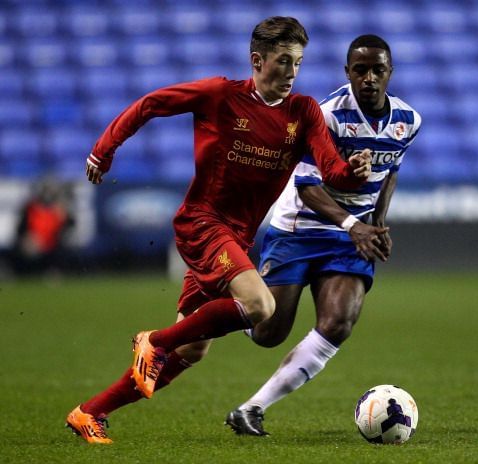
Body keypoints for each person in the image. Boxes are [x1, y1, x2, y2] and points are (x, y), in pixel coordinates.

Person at [65, 16, 376, 444]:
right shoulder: (219, 95)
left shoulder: (302, 112)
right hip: (203, 224)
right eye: (283, 61)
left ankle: (90, 412)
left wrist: (355, 175)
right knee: (260, 306)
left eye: (298, 63)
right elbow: (151, 103)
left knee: (192, 348)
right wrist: (104, 150)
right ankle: (153, 341)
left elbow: (333, 172)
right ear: (257, 60)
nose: (291, 73)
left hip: (237, 238)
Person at [224, 34, 422, 436]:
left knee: (338, 322)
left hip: (353, 236)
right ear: (347, 72)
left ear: (390, 73)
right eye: (360, 69)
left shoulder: (408, 121)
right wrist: (355, 225)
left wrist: (377, 222)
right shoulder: (325, 115)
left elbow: (390, 171)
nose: (369, 77)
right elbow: (307, 187)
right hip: (301, 227)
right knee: (268, 332)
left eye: (377, 69)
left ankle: (252, 409)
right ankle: (232, 298)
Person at [11, 176, 75, 276]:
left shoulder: (58, 208)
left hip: (53, 243)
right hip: (33, 242)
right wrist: (27, 237)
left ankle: (54, 271)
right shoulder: (31, 207)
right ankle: (19, 272)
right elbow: (21, 228)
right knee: (22, 249)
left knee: (61, 249)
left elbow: (71, 224)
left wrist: (64, 217)